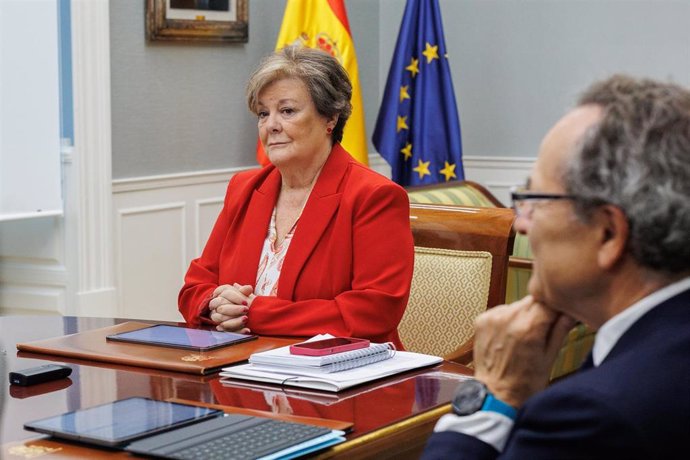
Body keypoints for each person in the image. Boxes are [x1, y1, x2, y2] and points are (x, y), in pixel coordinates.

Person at [422, 75, 690, 459]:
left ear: (608, 233)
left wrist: (495, 393)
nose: (522, 223)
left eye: (534, 200)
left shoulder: (592, 415)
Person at [178, 45, 414, 349]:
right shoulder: (244, 188)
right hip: (241, 365)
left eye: (287, 111)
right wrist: (214, 305)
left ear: (330, 118)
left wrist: (254, 312)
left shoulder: (374, 196)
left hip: (340, 375)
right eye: (263, 113)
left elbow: (373, 311)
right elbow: (194, 288)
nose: (271, 125)